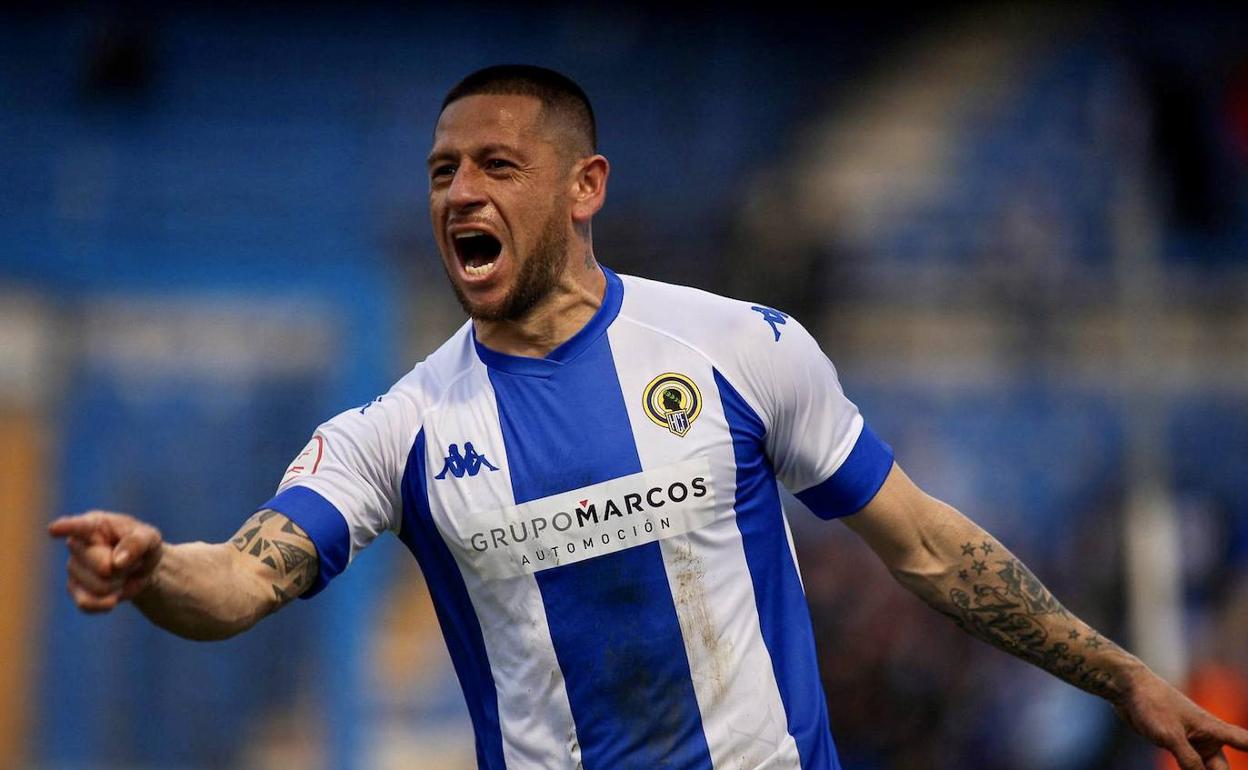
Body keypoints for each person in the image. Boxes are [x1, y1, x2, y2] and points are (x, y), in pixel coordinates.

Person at [49, 65, 1248, 770]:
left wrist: (1126, 678)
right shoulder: (399, 429)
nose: (460, 189)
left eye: (496, 165)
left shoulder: (738, 347)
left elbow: (929, 544)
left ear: (586, 187)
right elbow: (241, 578)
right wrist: (158, 569)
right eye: (441, 170)